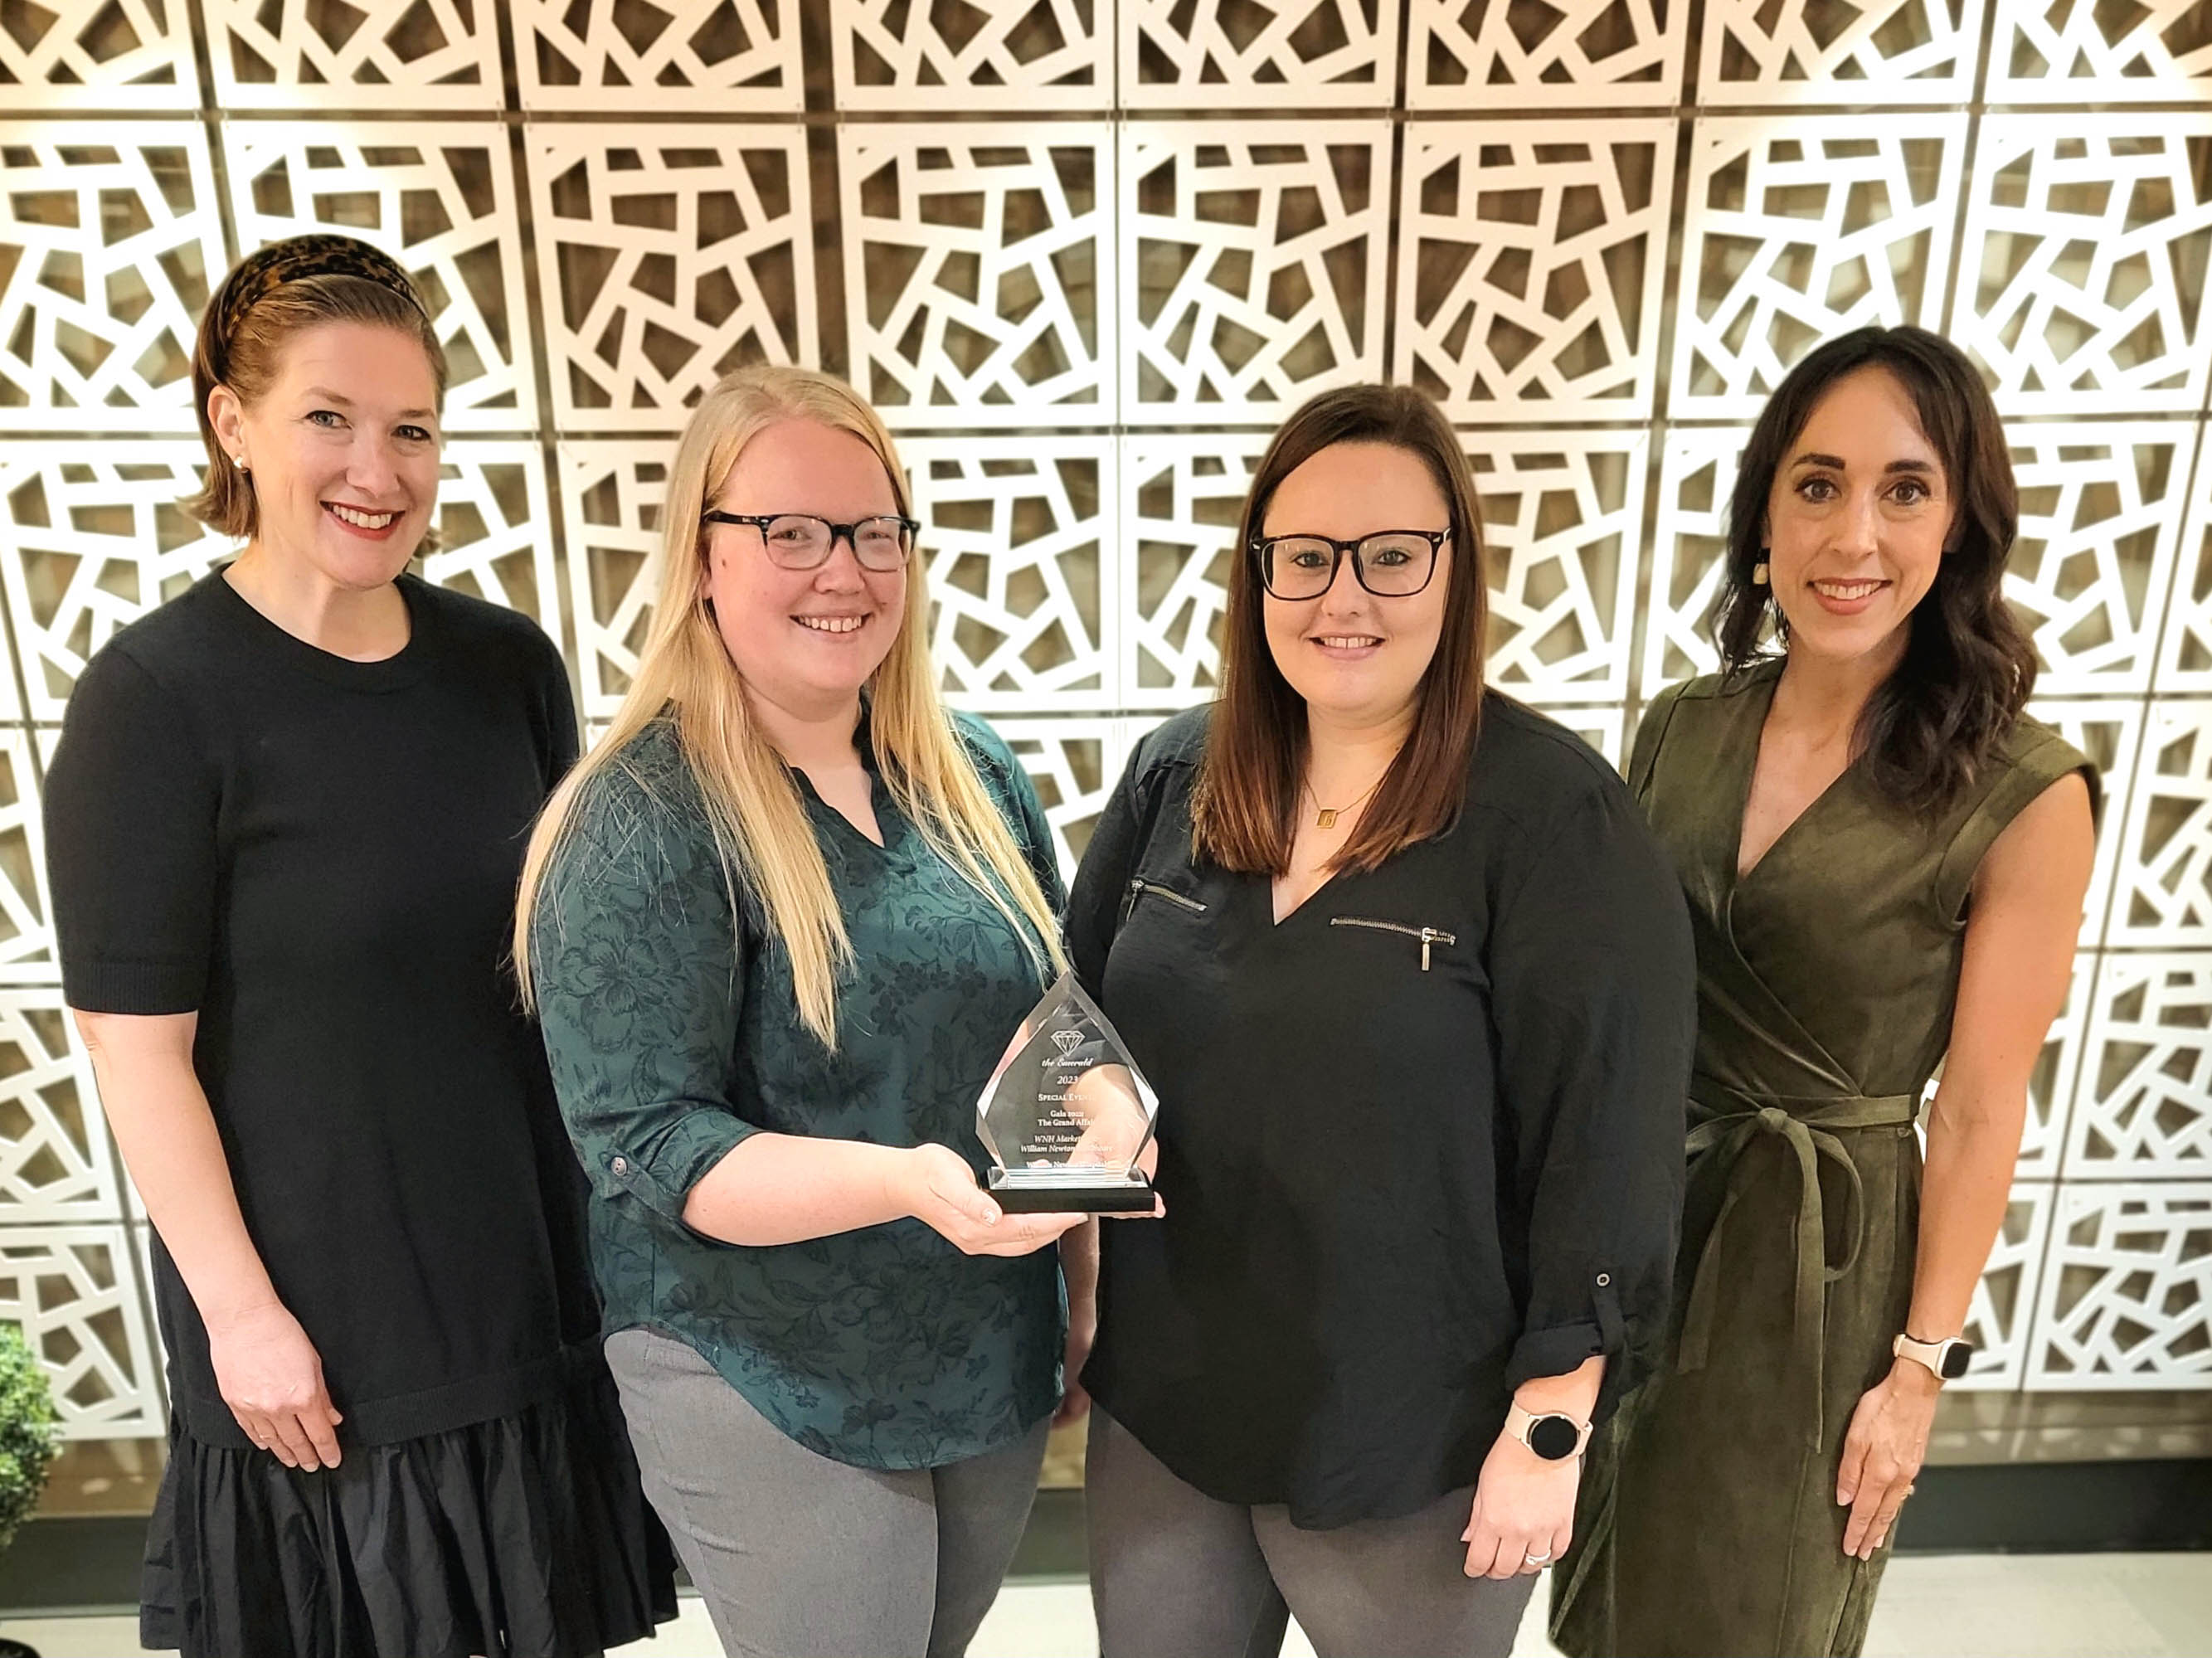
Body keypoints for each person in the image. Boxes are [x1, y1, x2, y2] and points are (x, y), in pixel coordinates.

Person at [42, 235, 673, 1658]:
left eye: (412, 430)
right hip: (317, 1336)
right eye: (328, 419)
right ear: (234, 424)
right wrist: (240, 1316)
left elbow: (547, 983)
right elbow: (138, 1059)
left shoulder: (507, 667)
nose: (374, 472)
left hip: (518, 1294)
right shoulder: (155, 698)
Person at [1062, 382, 1696, 1658]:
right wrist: (1093, 1106)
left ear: (1456, 570)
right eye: (1305, 559)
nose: (1343, 598)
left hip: (1422, 1436)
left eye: (1392, 557)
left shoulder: (1555, 820)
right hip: (1173, 1407)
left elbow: (1610, 1143)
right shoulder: (1177, 773)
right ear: (1257, 578)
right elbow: (1073, 1022)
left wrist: (1550, 1426)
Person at [516, 364, 1100, 1658]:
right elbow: (648, 1142)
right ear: (704, 554)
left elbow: (1057, 1024)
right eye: (789, 531)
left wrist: (1085, 1269)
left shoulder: (969, 770)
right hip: (764, 1364)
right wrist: (909, 1181)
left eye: (873, 529)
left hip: (979, 1342)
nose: (843, 570)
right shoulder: (644, 817)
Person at [1550, 325, 2098, 1658]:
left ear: (1960, 524)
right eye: (1818, 483)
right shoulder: (1684, 723)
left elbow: (1977, 1113)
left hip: (1821, 1267)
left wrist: (1917, 1371)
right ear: (1765, 516)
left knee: (1756, 1614)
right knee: (1599, 1603)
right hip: (1648, 1223)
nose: (1855, 534)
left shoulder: (2023, 790)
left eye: (1904, 489)